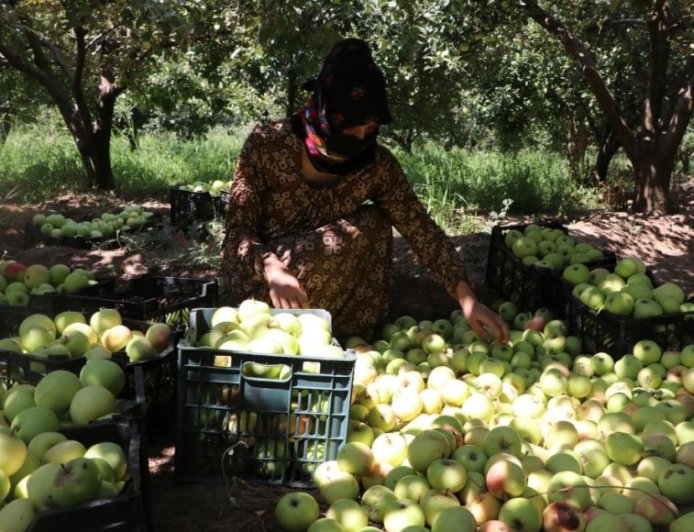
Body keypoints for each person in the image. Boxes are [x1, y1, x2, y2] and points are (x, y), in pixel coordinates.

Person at [221, 38, 508, 344]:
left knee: (374, 222)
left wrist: (467, 299)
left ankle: (347, 341)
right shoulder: (267, 145)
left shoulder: (375, 165)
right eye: (349, 128)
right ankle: (282, 334)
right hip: (264, 289)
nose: (359, 137)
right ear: (323, 109)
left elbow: (421, 230)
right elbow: (237, 233)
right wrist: (270, 266)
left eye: (369, 128)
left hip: (323, 280)